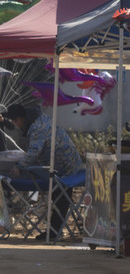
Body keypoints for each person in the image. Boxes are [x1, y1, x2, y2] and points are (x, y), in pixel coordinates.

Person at [4, 102, 84, 241]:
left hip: (65, 170)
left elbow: (34, 152)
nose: (15, 125)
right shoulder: (38, 121)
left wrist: (20, 166)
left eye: (13, 121)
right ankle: (54, 231)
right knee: (59, 196)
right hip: (64, 166)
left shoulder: (37, 128)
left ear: (19, 119)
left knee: (60, 195)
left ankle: (54, 232)